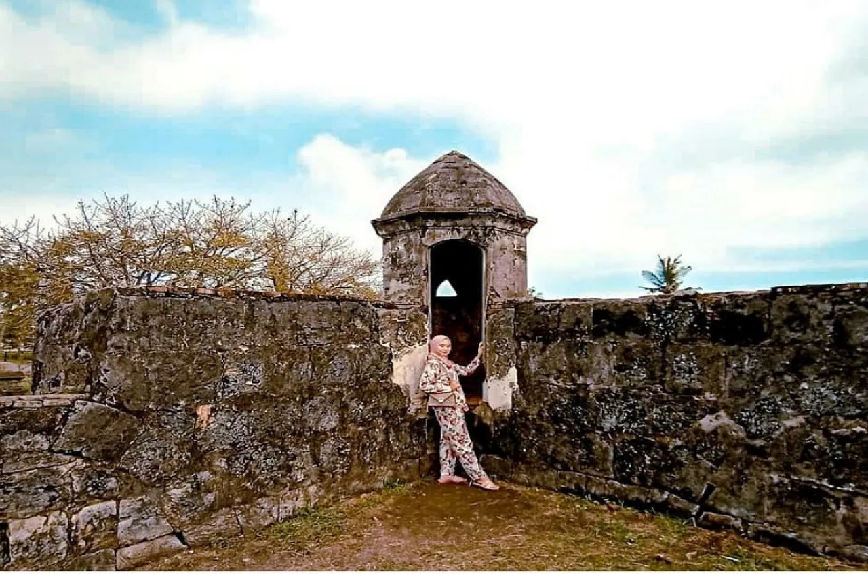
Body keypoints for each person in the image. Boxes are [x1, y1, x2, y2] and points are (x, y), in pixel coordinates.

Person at [419, 335, 500, 491]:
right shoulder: (433, 363)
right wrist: (449, 388)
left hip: (453, 406)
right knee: (462, 442)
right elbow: (424, 385)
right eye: (441, 346)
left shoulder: (447, 364)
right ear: (434, 346)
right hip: (446, 408)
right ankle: (479, 478)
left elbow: (467, 371)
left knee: (447, 440)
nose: (445, 349)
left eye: (448, 346)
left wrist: (479, 355)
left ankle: (446, 474)